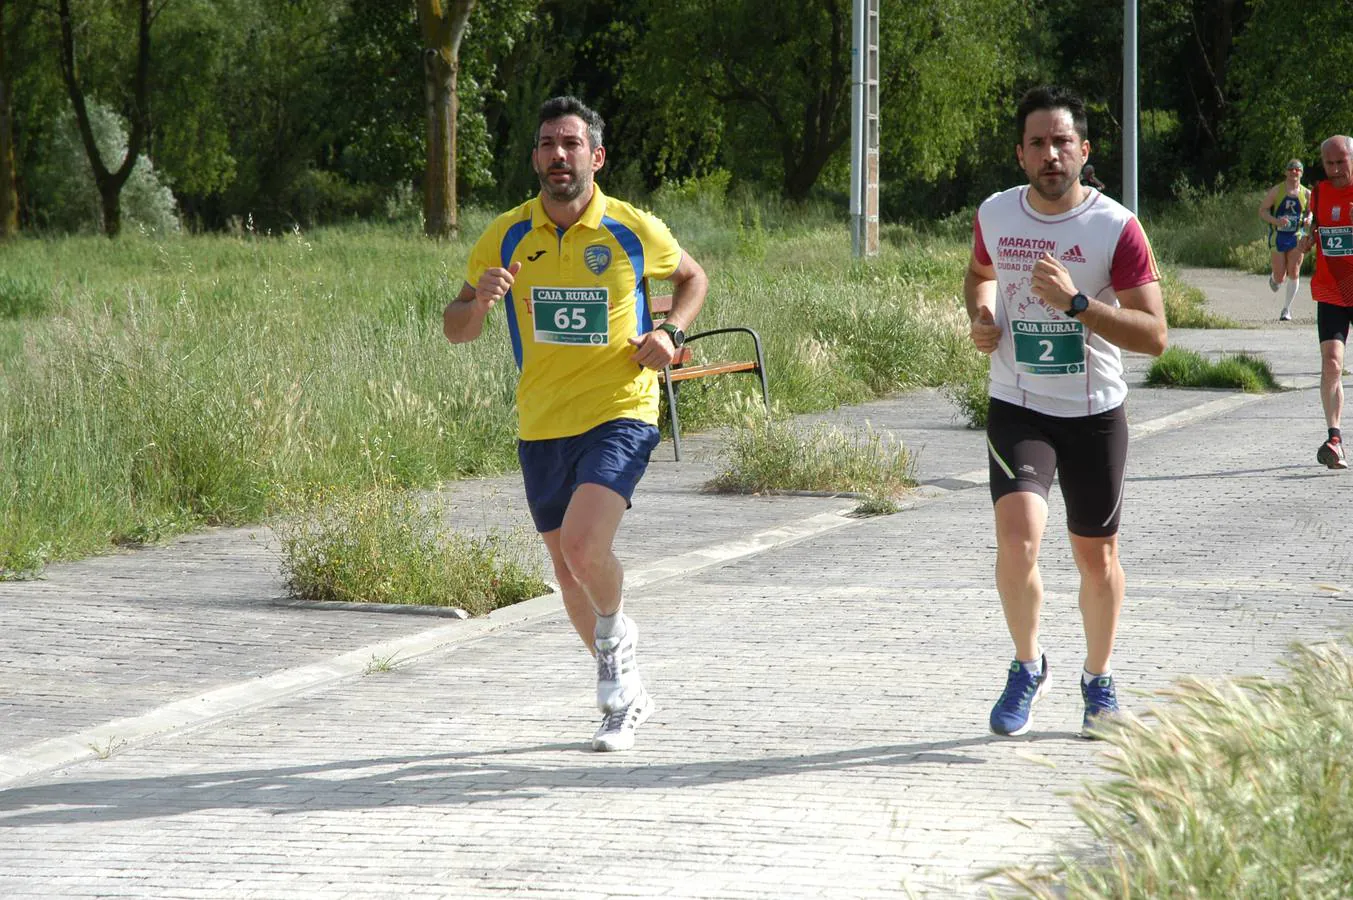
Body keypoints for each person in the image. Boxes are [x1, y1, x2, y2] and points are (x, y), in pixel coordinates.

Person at [444, 96, 708, 751]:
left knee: (585, 549)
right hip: (540, 421)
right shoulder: (505, 234)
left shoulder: (632, 227)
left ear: (596, 156)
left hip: (620, 409)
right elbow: (456, 329)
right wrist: (479, 300)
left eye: (569, 144)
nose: (557, 155)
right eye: (545, 144)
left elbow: (692, 277)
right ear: (534, 157)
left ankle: (616, 637)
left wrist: (670, 331)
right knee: (565, 572)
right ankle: (623, 693)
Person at [964, 86, 1168, 739]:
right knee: (1018, 536)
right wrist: (980, 313)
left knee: (1096, 558)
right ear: (1019, 155)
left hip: (1092, 412)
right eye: (1037, 144)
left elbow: (1153, 334)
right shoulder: (995, 214)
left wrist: (1079, 305)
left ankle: (1097, 681)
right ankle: (1027, 665)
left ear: (1083, 150)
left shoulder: (1115, 226)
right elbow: (978, 273)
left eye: (1061, 142)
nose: (1050, 154)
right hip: (1017, 403)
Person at [1298, 135, 1353, 469]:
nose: (1334, 170)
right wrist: (1307, 238)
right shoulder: (1317, 193)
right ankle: (1334, 439)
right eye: (1328, 163)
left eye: (1341, 163)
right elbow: (1313, 225)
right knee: (1332, 363)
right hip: (1332, 291)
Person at [1258, 159, 1312, 321]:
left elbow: (1312, 211)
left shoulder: (1306, 193)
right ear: (1286, 172)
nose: (1294, 172)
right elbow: (1262, 210)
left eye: (1297, 170)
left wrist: (1309, 218)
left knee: (1294, 271)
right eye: (1291, 169)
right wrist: (1276, 222)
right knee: (1280, 276)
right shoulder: (1277, 191)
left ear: (1301, 173)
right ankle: (1275, 278)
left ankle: (1286, 309)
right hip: (1279, 236)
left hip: (1297, 236)